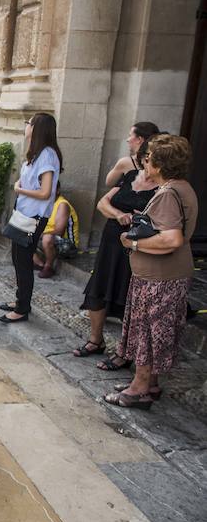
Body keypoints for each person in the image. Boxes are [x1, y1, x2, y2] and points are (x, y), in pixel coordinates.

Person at [105, 135, 198, 409]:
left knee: (147, 332)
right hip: (166, 275)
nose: (145, 161)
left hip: (160, 278)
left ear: (159, 164)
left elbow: (172, 239)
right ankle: (149, 383)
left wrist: (133, 242)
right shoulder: (181, 187)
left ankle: (139, 388)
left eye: (149, 157)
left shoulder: (169, 193)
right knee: (157, 331)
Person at [74, 124, 159, 359]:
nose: (145, 163)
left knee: (128, 299)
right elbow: (102, 203)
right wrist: (119, 215)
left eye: (150, 159)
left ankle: (125, 352)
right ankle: (95, 340)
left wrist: (136, 219)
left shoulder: (162, 189)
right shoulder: (131, 175)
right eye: (145, 158)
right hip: (111, 242)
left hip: (136, 249)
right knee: (97, 292)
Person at [0, 113, 62, 323]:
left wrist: (20, 189)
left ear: (37, 128)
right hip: (25, 214)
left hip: (34, 217)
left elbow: (45, 192)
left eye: (29, 123)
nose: (26, 126)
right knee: (18, 259)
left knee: (24, 261)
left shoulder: (47, 154)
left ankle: (22, 308)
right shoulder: (37, 153)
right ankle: (20, 300)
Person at [36, 183, 79, 278]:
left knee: (47, 238)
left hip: (67, 245)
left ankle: (49, 267)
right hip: (47, 238)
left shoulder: (62, 204)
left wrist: (39, 235)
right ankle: (40, 264)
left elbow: (59, 231)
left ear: (58, 190)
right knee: (21, 232)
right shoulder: (45, 203)